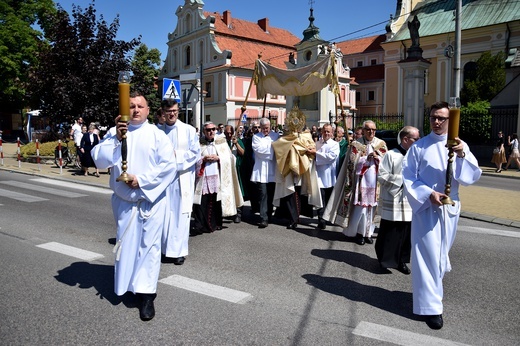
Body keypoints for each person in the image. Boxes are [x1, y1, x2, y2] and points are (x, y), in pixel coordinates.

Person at [91, 92, 177, 321]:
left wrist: (143, 181)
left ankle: (147, 295)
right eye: (132, 106)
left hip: (151, 201)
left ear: (148, 111)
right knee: (127, 244)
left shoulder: (157, 136)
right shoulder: (115, 132)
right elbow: (99, 160)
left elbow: (169, 166)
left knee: (148, 248)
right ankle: (127, 284)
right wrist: (117, 139)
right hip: (124, 202)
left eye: (141, 106)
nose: (136, 110)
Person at [402, 101, 481, 330]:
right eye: (433, 117)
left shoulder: (459, 144)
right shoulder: (419, 147)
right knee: (427, 257)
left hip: (450, 208)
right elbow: (408, 178)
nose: (437, 122)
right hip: (427, 208)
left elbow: (471, 176)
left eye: (442, 118)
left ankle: (431, 294)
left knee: (440, 255)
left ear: (450, 120)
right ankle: (432, 309)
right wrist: (428, 194)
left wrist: (463, 154)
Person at [323, 120, 387, 245]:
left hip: (375, 184)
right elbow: (351, 165)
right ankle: (359, 233)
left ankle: (368, 233)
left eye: (373, 130)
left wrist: (377, 158)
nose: (371, 132)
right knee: (361, 209)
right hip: (360, 183)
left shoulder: (381, 144)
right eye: (368, 129)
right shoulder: (356, 145)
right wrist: (364, 160)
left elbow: (386, 163)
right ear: (363, 131)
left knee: (372, 209)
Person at [160, 99, 200, 265]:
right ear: (163, 112)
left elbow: (195, 153)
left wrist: (176, 156)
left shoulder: (188, 130)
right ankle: (164, 250)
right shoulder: (157, 131)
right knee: (163, 216)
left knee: (180, 216)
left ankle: (179, 252)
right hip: (163, 181)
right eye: (169, 111)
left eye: (175, 111)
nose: (172, 114)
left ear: (179, 111)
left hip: (181, 179)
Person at [375, 126, 420, 275]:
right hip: (394, 200)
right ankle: (385, 261)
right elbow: (382, 175)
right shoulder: (391, 155)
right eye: (416, 139)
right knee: (390, 231)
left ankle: (402, 261)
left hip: (410, 201)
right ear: (406, 139)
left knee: (406, 233)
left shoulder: (417, 157)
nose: (419, 142)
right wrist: (403, 181)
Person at [192, 121, 243, 233]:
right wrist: (203, 159)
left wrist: (219, 158)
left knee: (216, 201)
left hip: (217, 176)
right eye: (208, 130)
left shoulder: (221, 142)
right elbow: (192, 159)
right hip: (203, 178)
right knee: (202, 202)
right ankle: (200, 225)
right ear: (204, 131)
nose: (211, 132)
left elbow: (230, 158)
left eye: (213, 129)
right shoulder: (198, 143)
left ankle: (215, 224)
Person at [306, 124, 340, 230]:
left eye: (328, 132)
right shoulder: (317, 143)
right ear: (322, 132)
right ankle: (321, 220)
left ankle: (329, 218)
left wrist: (316, 154)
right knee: (321, 199)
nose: (326, 133)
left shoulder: (334, 144)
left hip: (330, 176)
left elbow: (331, 157)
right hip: (319, 175)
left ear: (332, 133)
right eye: (325, 131)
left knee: (330, 199)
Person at [251, 117, 279, 228]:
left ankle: (269, 215)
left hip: (272, 169)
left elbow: (279, 150)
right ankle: (263, 217)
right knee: (263, 194)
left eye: (267, 128)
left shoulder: (275, 136)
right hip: (261, 170)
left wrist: (270, 148)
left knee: (271, 193)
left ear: (270, 127)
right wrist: (272, 148)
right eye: (263, 128)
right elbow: (259, 151)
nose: (265, 130)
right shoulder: (256, 137)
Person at [224, 125, 245, 223]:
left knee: (238, 191)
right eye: (226, 133)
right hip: (226, 171)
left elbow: (243, 153)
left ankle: (239, 212)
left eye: (230, 133)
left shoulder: (237, 141)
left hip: (236, 170)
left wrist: (236, 144)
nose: (229, 135)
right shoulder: (222, 142)